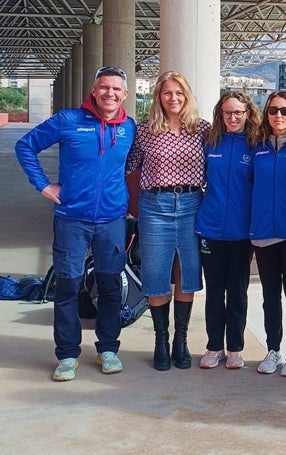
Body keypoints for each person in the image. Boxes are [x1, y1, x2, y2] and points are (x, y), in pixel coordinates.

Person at [15, 66, 136, 381]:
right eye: (104, 87)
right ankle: (67, 355)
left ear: (125, 94)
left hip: (112, 220)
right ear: (94, 91)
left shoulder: (129, 128)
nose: (110, 93)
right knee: (68, 285)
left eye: (116, 89)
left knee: (110, 286)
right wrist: (43, 185)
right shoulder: (68, 120)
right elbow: (25, 146)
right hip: (72, 219)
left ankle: (108, 349)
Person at [126, 71, 210, 371]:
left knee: (187, 271)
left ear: (187, 96)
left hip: (191, 204)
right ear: (158, 97)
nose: (173, 98)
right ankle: (161, 340)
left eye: (179, 93)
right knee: (155, 273)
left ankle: (181, 340)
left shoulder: (202, 129)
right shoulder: (146, 129)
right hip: (155, 205)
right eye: (167, 93)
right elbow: (127, 164)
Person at [196, 91, 261, 370]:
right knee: (214, 291)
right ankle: (213, 347)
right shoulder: (210, 142)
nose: (233, 118)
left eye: (238, 112)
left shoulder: (256, 145)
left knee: (237, 292)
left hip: (241, 231)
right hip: (210, 227)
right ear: (220, 115)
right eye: (227, 113)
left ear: (248, 113)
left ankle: (235, 347)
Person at [250, 91, 286, 377]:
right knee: (270, 296)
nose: (278, 116)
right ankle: (273, 349)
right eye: (273, 110)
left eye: (284, 111)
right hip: (263, 233)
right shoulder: (256, 147)